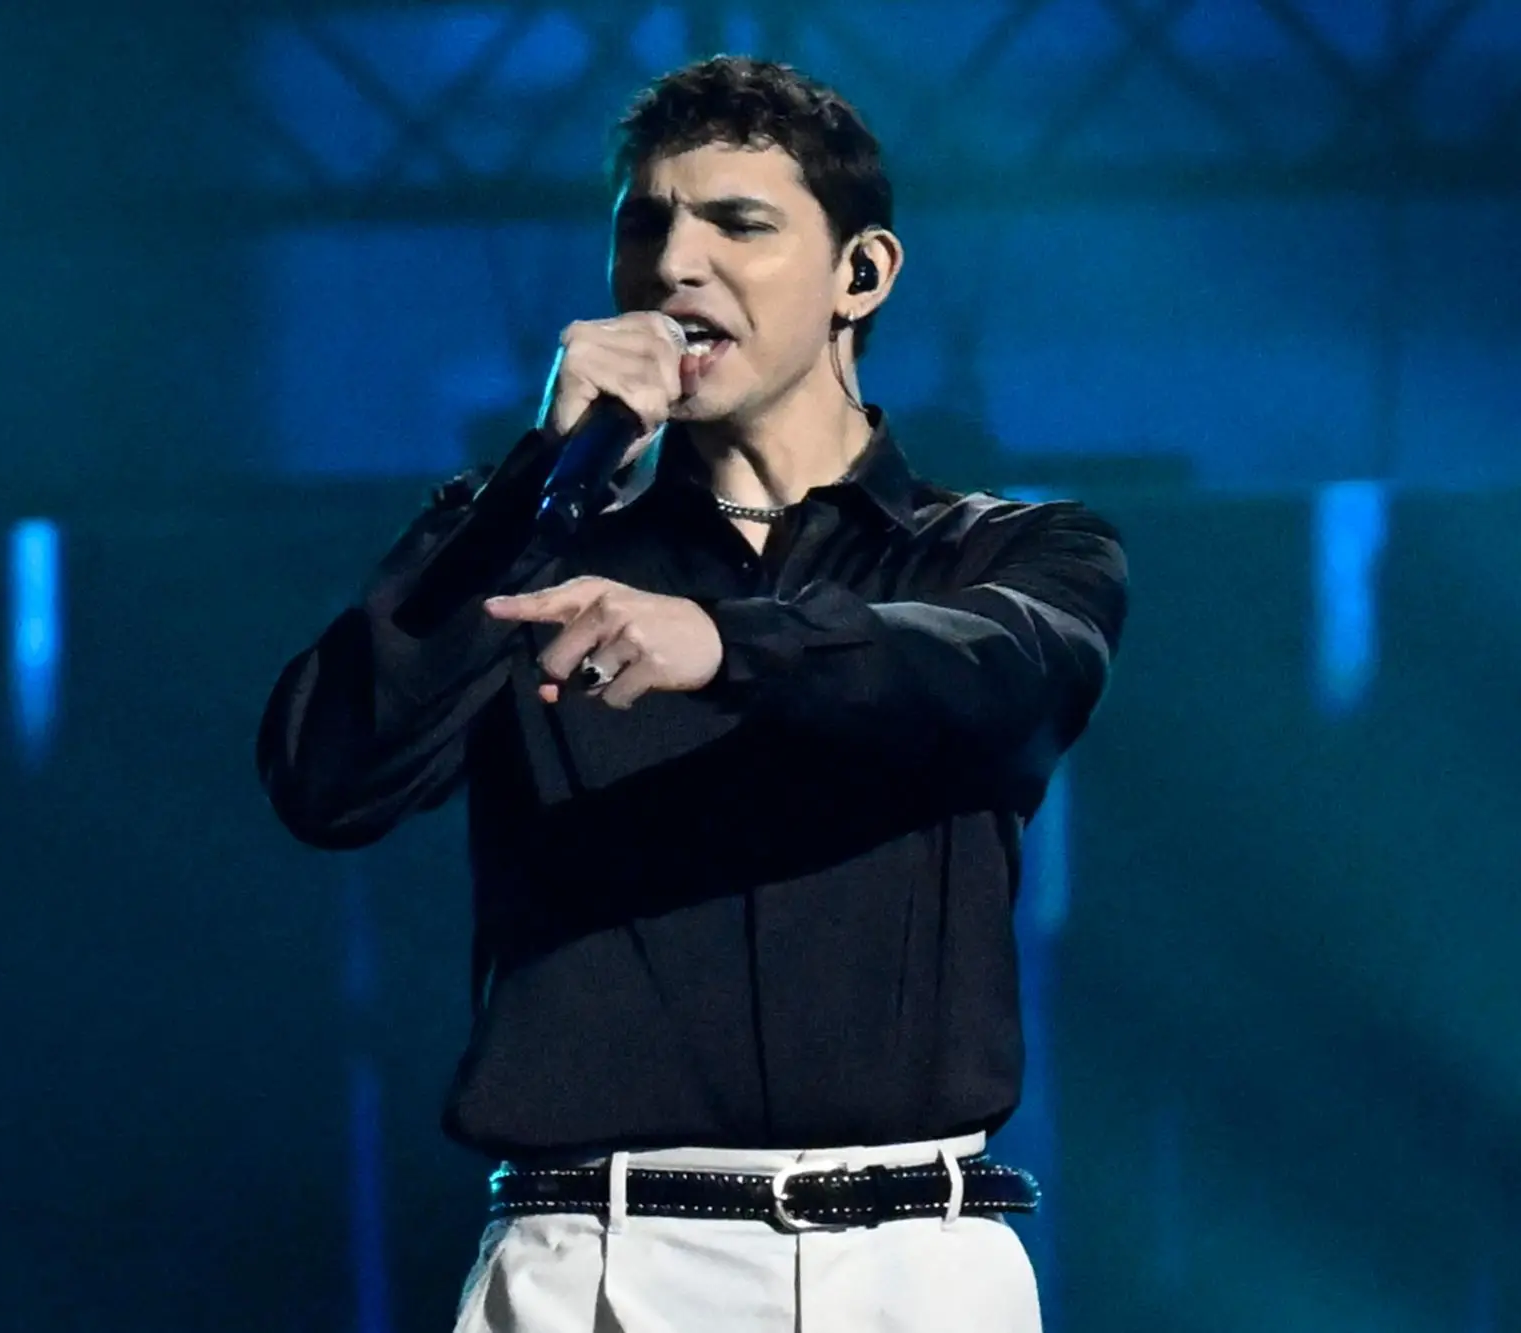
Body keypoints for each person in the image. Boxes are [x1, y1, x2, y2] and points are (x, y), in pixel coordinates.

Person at [257, 54, 1128, 1333]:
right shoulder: (538, 543)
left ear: (861, 274)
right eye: (644, 223)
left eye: (738, 222)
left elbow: (1001, 679)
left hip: (909, 1263)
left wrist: (727, 645)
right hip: (594, 1259)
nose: (674, 264)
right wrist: (539, 479)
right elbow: (328, 778)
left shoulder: (1000, 550)